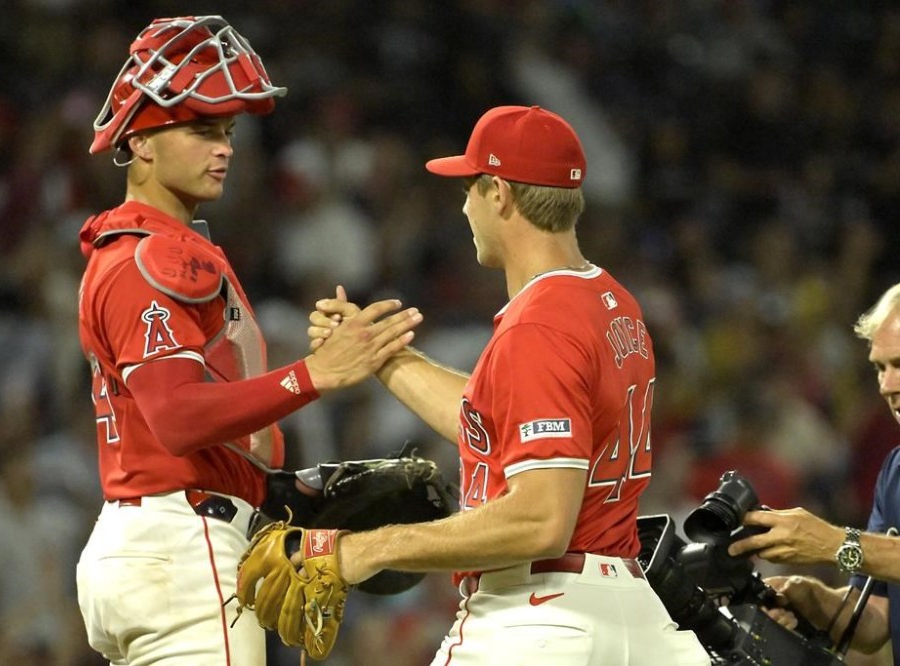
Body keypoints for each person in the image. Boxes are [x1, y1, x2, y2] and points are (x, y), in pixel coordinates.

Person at [74, 16, 421, 666]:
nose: (224, 148)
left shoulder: (142, 249)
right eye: (202, 129)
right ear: (142, 141)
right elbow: (176, 418)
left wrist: (284, 492)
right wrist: (313, 375)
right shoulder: (153, 261)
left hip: (153, 540)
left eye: (228, 132)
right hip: (183, 547)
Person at [307, 105, 710, 664]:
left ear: (498, 193)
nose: (464, 205)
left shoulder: (539, 323)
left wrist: (369, 548)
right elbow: (499, 424)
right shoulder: (608, 300)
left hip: (539, 616)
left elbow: (542, 518)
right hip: (627, 615)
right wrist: (381, 357)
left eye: (469, 188)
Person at [729, 282, 900, 662]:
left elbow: (846, 548)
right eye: (879, 368)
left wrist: (834, 543)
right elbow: (875, 623)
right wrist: (813, 599)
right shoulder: (895, 472)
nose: (887, 386)